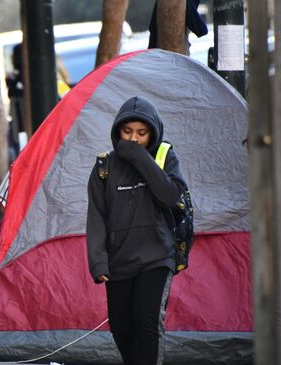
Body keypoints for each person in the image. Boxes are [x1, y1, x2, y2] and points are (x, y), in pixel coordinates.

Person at [86, 96, 187, 365]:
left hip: (156, 255)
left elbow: (169, 196)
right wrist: (98, 261)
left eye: (141, 134)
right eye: (127, 132)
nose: (133, 139)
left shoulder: (166, 156)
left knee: (147, 324)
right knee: (122, 327)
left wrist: (141, 158)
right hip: (119, 259)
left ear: (152, 133)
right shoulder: (104, 167)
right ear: (117, 130)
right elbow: (96, 216)